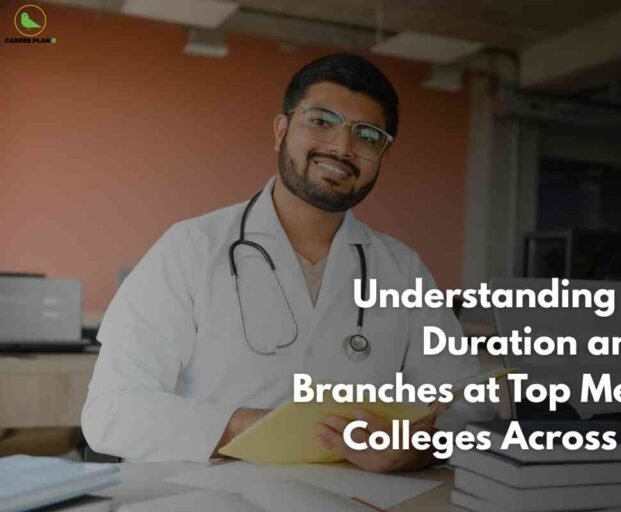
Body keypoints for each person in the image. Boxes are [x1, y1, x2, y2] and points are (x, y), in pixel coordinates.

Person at [81, 53, 493, 472]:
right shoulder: (192, 248)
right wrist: (258, 428)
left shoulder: (401, 270)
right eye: (321, 121)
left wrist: (418, 447)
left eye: (367, 136)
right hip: (211, 493)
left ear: (382, 156)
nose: (342, 147)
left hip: (354, 497)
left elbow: (469, 406)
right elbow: (111, 412)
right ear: (281, 131)